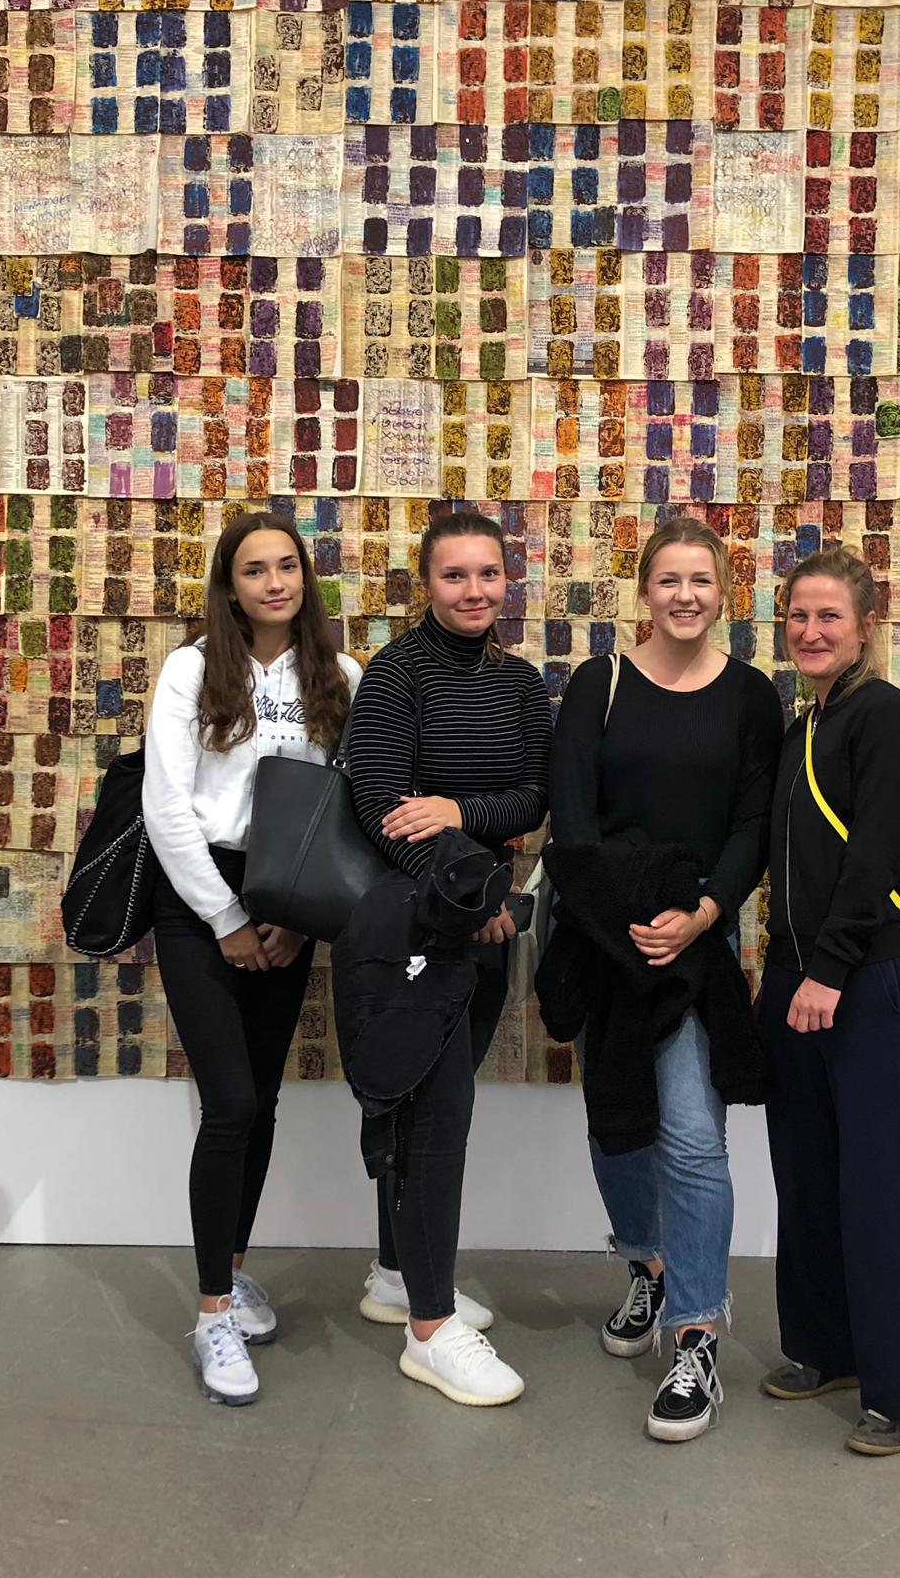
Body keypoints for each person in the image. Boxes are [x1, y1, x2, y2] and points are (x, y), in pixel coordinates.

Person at [546, 516, 783, 1442]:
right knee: (617, 1130)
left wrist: (704, 915)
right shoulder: (597, 685)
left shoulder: (751, 697)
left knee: (690, 1135)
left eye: (702, 581)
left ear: (725, 593)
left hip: (695, 942)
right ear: (643, 591)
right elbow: (573, 821)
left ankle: (694, 1335)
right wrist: (624, 927)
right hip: (606, 939)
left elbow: (753, 825)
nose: (686, 596)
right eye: (669, 580)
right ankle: (647, 1266)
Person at [143, 511, 362, 1405]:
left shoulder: (341, 674)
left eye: (288, 567)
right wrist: (226, 915)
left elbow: (345, 807)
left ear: (305, 579)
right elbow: (166, 807)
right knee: (229, 1103)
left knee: (260, 1102)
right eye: (255, 570)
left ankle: (230, 1274)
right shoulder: (193, 669)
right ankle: (210, 1316)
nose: (276, 583)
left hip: (289, 896)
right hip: (200, 897)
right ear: (229, 587)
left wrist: (299, 923)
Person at [346, 507, 552, 1408]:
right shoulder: (396, 673)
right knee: (432, 1121)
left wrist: (462, 814)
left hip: (489, 920)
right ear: (425, 583)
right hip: (416, 928)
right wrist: (468, 899)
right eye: (454, 575)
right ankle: (429, 1331)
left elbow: (535, 798)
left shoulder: (521, 683)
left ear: (508, 580)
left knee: (432, 1108)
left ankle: (397, 1276)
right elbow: (382, 809)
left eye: (488, 574)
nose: (474, 591)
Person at [758, 544, 900, 1457]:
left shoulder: (888, 721)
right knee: (807, 1176)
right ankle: (825, 1348)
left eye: (829, 615)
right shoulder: (806, 724)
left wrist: (829, 971)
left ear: (866, 626)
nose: (811, 630)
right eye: (798, 615)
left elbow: (874, 863)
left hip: (861, 982)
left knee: (881, 1187)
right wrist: (786, 971)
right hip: (796, 980)